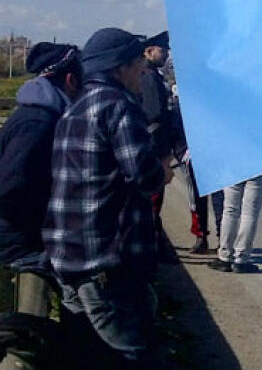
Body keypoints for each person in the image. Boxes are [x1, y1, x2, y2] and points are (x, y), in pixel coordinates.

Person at [44, 28, 172, 368]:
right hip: (107, 264)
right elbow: (144, 176)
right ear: (120, 67)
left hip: (70, 257)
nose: (142, 69)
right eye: (137, 62)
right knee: (133, 354)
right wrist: (163, 170)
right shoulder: (119, 107)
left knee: (87, 355)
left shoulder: (74, 109)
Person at [0, 43, 81, 321]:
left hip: (23, 240)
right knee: (28, 324)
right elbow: (11, 188)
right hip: (21, 246)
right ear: (70, 80)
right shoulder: (39, 123)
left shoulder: (37, 113)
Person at [140, 31, 184, 263]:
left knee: (155, 200)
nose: (166, 54)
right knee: (153, 200)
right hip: (155, 148)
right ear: (149, 51)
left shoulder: (154, 75)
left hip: (157, 146)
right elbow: (155, 114)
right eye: (162, 50)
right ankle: (154, 246)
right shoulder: (148, 77)